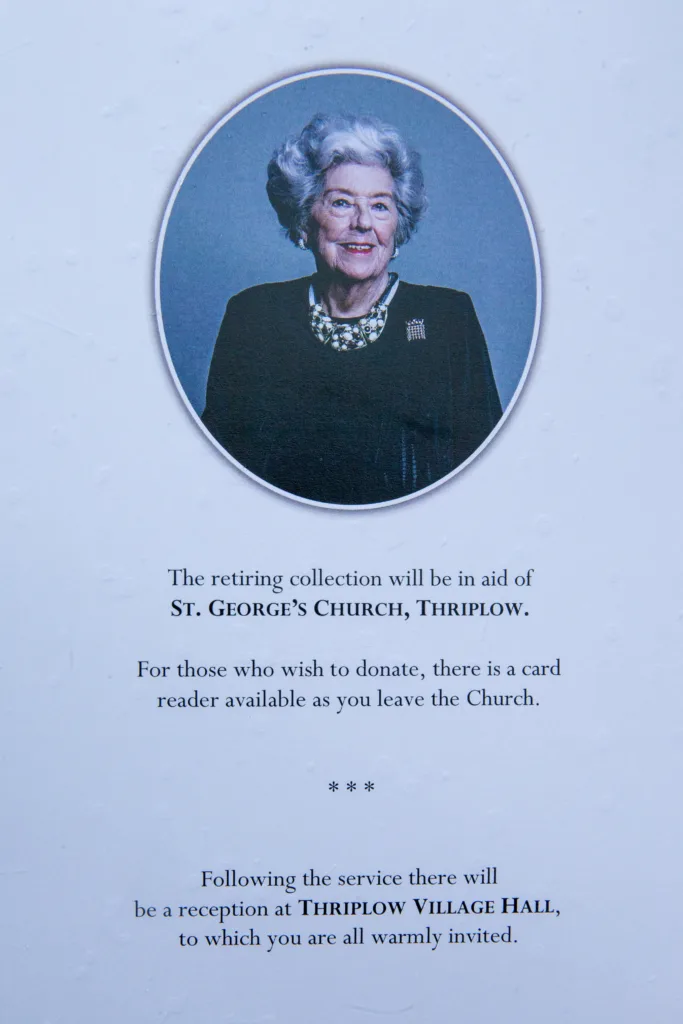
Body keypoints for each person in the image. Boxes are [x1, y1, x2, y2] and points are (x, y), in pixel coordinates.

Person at [201, 113, 502, 505]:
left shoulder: (446, 319)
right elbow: (217, 474)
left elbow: (489, 475)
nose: (362, 223)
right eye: (342, 203)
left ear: (398, 226)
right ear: (305, 220)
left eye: (380, 206)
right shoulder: (254, 317)